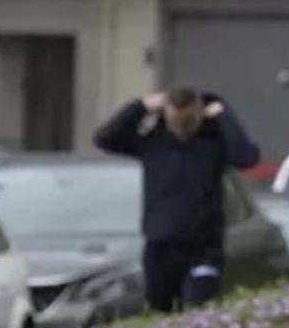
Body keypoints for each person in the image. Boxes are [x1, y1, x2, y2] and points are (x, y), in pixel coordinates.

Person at [94, 87, 259, 313]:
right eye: (175, 121)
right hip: (161, 245)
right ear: (165, 115)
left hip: (204, 246)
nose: (182, 129)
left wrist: (224, 114)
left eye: (189, 122)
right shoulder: (152, 142)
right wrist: (140, 107)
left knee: (199, 306)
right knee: (160, 308)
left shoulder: (213, 142)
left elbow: (246, 157)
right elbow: (104, 139)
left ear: (200, 115)